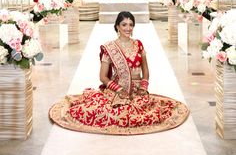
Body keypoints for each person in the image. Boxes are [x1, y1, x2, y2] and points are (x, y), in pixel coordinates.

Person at [59, 11, 188, 132]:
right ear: (117, 26)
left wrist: (143, 87)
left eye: (131, 25)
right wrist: (118, 89)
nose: (128, 28)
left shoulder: (138, 44)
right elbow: (103, 77)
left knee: (151, 112)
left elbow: (145, 71)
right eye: (124, 24)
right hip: (118, 89)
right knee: (107, 113)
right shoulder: (110, 48)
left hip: (138, 90)